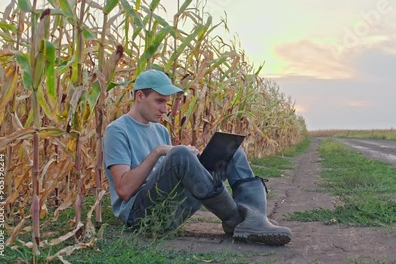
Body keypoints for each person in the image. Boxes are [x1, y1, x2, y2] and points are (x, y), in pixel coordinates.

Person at [103, 69, 292, 246]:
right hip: (141, 217)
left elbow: (167, 179)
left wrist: (195, 162)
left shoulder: (160, 129)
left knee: (228, 150)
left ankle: (256, 218)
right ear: (140, 97)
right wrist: (159, 151)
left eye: (167, 103)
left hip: (171, 211)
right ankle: (236, 220)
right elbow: (124, 190)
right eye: (159, 101)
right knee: (180, 153)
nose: (165, 109)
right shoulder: (117, 131)